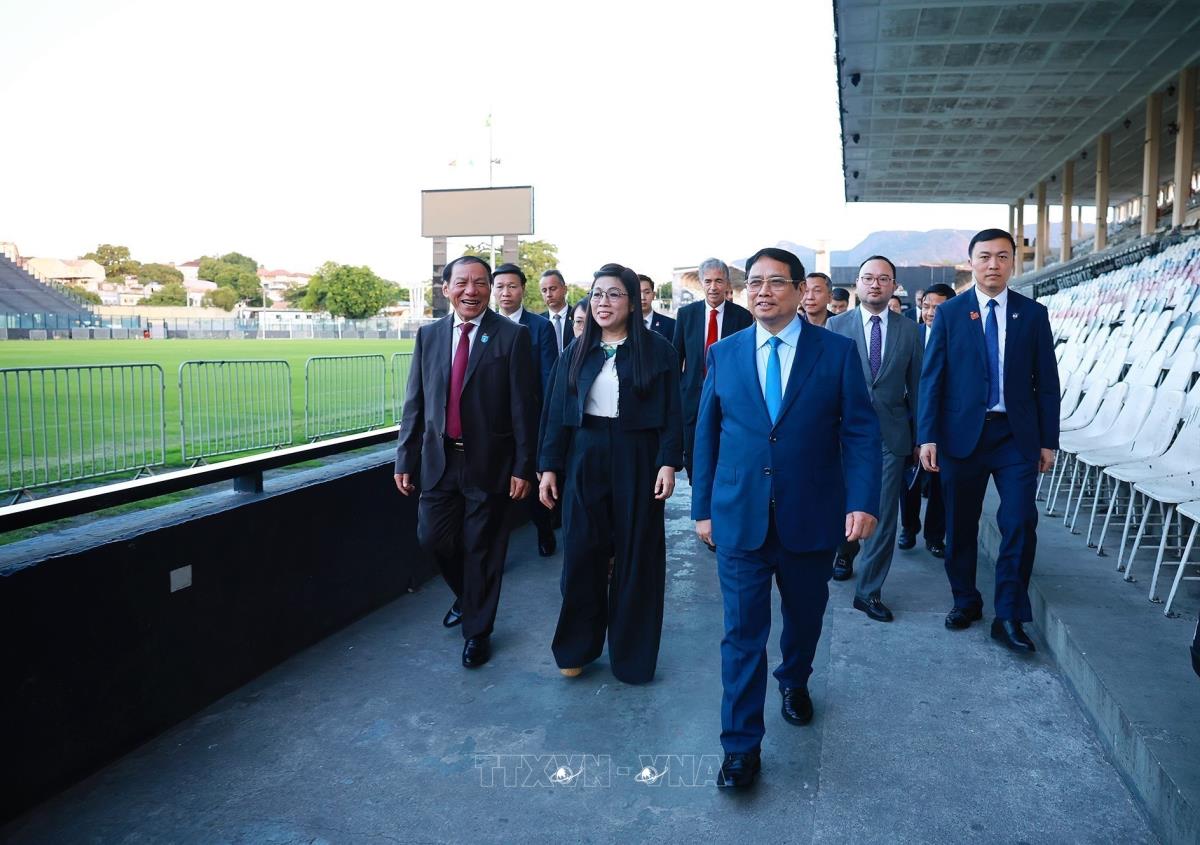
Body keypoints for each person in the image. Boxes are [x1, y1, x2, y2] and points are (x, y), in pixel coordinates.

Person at [692, 246, 880, 789]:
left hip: (811, 514)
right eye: (755, 282)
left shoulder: (836, 352)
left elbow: (860, 431)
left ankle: (794, 678)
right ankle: (740, 748)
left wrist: (863, 500)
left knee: (804, 617)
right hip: (739, 517)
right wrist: (702, 508)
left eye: (776, 282)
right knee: (742, 634)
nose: (763, 291)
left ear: (801, 291)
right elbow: (706, 433)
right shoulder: (724, 354)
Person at [538, 263, 683, 684]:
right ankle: (577, 647)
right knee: (582, 552)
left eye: (614, 294)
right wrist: (549, 466)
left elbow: (673, 412)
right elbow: (555, 414)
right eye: (598, 294)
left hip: (639, 457)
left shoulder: (658, 351)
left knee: (638, 556)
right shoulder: (576, 351)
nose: (603, 302)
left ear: (633, 303)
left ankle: (632, 656)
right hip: (586, 456)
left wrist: (668, 461)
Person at [919, 229, 1060, 653]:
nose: (993, 264)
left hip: (1015, 435)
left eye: (1002, 256)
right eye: (984, 256)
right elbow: (932, 378)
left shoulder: (1032, 314)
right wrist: (927, 436)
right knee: (960, 524)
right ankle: (965, 600)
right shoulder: (950, 313)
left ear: (1013, 262)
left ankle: (1009, 615)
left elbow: (1047, 384)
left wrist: (1048, 441)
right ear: (971, 263)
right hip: (961, 434)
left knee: (1019, 521)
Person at [394, 255, 538, 669]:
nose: (471, 290)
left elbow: (523, 407)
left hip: (490, 464)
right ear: (446, 289)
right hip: (438, 462)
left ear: (490, 288)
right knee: (433, 539)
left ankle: (477, 632)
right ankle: (469, 597)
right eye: (462, 282)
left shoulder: (512, 336)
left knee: (483, 549)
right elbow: (415, 402)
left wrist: (522, 466)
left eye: (480, 283)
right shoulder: (429, 335)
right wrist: (404, 457)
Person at [827, 255, 922, 623]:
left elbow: (918, 387)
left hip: (890, 434)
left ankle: (868, 592)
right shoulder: (836, 326)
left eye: (883, 279)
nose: (875, 284)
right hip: (841, 434)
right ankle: (844, 552)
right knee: (840, 504)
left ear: (894, 285)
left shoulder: (909, 330)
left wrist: (922, 437)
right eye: (868, 278)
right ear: (857, 284)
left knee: (882, 516)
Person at [494, 262, 560, 557]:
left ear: (522, 289)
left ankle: (545, 531)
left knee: (533, 484)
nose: (505, 292)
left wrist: (545, 426)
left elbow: (548, 378)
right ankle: (496, 549)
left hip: (529, 422)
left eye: (512, 286)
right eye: (499, 287)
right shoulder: (486, 325)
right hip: (494, 424)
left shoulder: (540, 327)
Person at [672, 258, 753, 480]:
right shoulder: (686, 315)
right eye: (708, 281)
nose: (713, 287)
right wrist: (680, 392)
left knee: (725, 459)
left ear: (727, 283)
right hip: (693, 400)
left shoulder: (742, 317)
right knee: (695, 462)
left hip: (730, 400)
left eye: (719, 281)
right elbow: (676, 358)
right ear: (701, 282)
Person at [899, 282, 955, 557]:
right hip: (911, 417)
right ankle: (908, 527)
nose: (930, 312)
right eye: (926, 306)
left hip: (947, 420)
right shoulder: (912, 334)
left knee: (940, 482)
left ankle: (935, 536)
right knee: (909, 479)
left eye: (937, 307)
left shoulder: (959, 336)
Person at [539, 269, 572, 355]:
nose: (548, 294)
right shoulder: (538, 322)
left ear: (565, 289)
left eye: (553, 289)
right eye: (544, 290)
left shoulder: (578, 316)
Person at [638, 274, 677, 339]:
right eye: (638, 293)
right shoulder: (624, 325)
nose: (642, 297)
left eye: (647, 292)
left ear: (653, 295)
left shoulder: (671, 324)